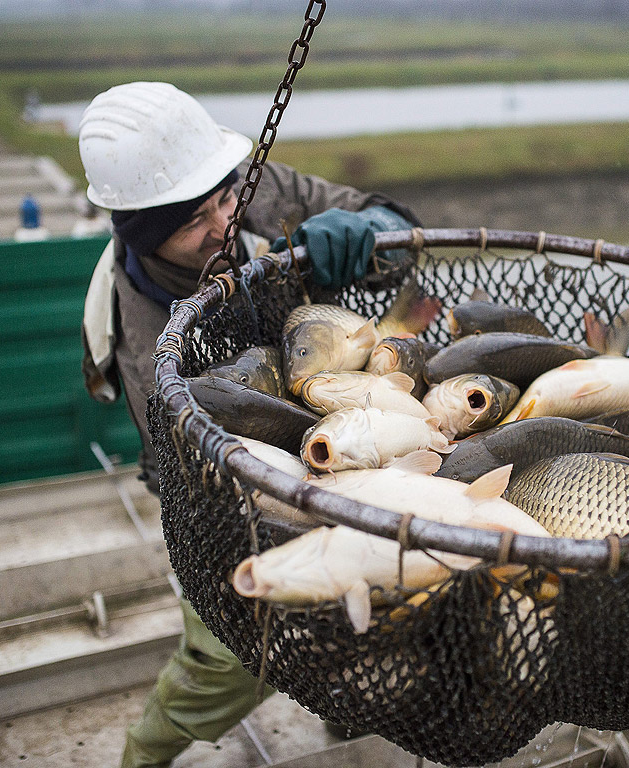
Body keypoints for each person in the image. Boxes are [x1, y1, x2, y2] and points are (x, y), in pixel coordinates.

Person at [78, 81, 419, 768]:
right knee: (228, 649)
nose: (222, 224)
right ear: (144, 235)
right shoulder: (143, 341)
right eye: (191, 223)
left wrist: (368, 235)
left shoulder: (246, 190)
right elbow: (206, 477)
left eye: (225, 200)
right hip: (215, 490)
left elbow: (397, 232)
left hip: (332, 433)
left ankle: (342, 717)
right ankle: (145, 752)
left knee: (369, 609)